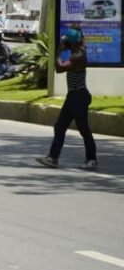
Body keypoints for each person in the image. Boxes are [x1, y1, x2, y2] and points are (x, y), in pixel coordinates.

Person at [36, 28, 97, 170]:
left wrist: (58, 51)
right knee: (60, 126)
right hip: (73, 96)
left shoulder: (78, 56)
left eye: (68, 42)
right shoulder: (77, 51)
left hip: (79, 96)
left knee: (83, 129)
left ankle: (91, 158)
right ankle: (53, 158)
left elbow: (59, 68)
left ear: (72, 43)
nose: (66, 43)